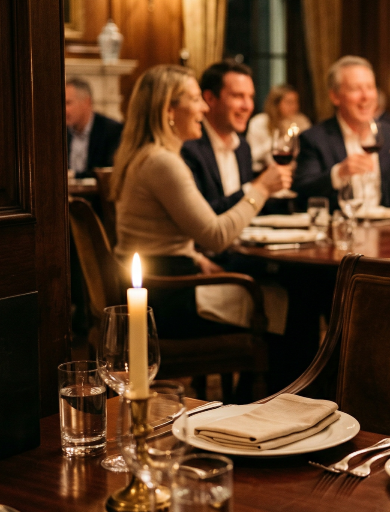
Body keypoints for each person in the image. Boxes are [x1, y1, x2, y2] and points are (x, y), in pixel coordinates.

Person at [111, 64, 291, 348]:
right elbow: (216, 237)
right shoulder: (163, 162)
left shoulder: (146, 156)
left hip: (159, 284)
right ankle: (284, 389)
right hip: (169, 299)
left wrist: (196, 259)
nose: (204, 109)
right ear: (169, 110)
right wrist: (262, 188)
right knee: (287, 299)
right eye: (195, 100)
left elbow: (158, 239)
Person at [293, 56, 390, 212]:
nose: (366, 96)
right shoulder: (315, 138)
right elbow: (302, 193)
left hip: (387, 231)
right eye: (356, 89)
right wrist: (339, 173)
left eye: (370, 87)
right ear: (335, 96)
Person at [180, 60, 263, 215]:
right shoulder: (188, 147)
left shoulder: (243, 147)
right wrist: (256, 189)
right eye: (238, 96)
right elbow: (203, 216)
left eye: (250, 97)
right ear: (210, 98)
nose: (247, 106)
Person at [246, 84, 312, 174]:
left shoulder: (302, 122)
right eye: (289, 102)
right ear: (276, 104)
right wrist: (278, 141)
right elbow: (251, 156)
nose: (294, 107)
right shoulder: (259, 122)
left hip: (295, 175)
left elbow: (308, 154)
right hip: (263, 174)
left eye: (296, 102)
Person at [65, 77, 123, 178]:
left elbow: (107, 173)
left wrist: (72, 175)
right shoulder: (61, 133)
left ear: (87, 102)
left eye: (68, 103)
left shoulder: (112, 130)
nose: (63, 109)